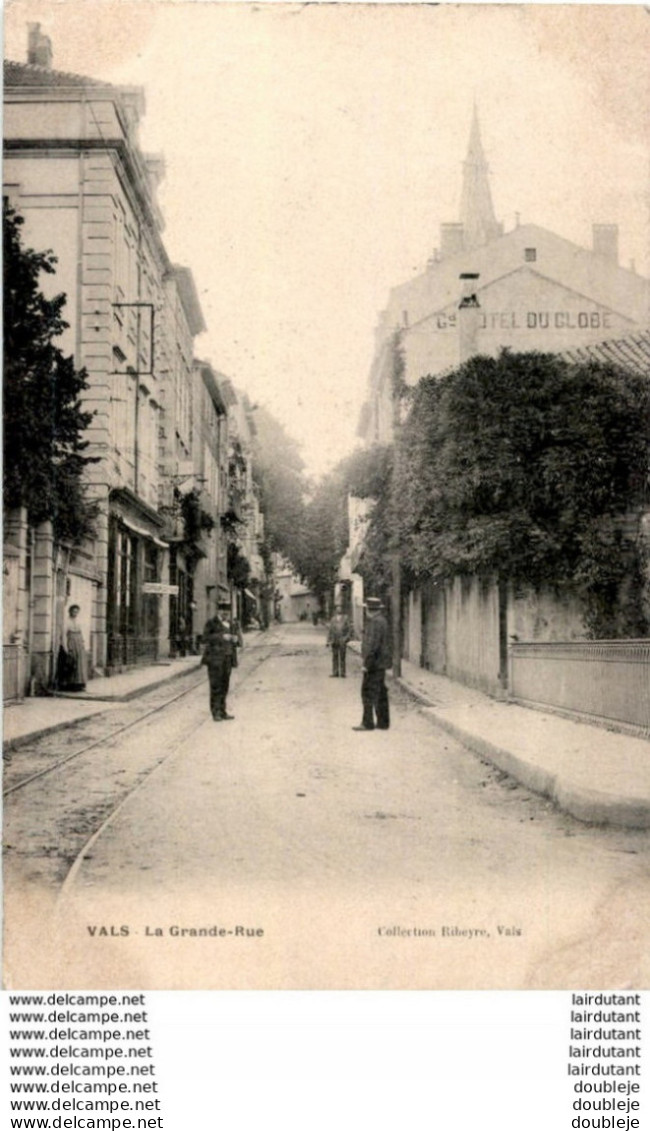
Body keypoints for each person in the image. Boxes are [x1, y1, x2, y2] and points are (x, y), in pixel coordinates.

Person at [353, 596, 391, 731]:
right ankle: (383, 722)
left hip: (374, 663)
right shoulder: (383, 621)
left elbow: (373, 646)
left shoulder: (374, 623)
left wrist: (366, 664)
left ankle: (367, 723)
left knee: (367, 692)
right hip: (381, 663)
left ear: (370, 610)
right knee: (380, 692)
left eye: (366, 609)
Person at [201, 600, 236, 721]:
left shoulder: (231, 623)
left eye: (228, 612)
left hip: (227, 658)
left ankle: (222, 710)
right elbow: (205, 638)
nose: (226, 614)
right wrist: (221, 637)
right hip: (215, 660)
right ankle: (215, 712)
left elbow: (235, 639)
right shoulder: (211, 623)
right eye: (224, 611)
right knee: (216, 686)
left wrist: (235, 639)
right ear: (219, 611)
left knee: (225, 686)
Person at [62, 604, 87, 691]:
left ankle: (80, 683)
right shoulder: (67, 621)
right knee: (72, 662)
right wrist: (66, 647)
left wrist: (83, 643)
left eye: (77, 612)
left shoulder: (79, 621)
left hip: (79, 643)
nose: (75, 613)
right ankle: (71, 684)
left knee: (80, 663)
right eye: (74, 611)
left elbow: (82, 632)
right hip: (71, 642)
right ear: (70, 612)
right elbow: (64, 634)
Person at [326, 604, 351, 678]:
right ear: (335, 610)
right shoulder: (333, 619)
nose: (338, 610)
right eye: (337, 609)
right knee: (335, 657)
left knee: (342, 657)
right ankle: (335, 672)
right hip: (335, 640)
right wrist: (328, 641)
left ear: (342, 610)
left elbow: (349, 630)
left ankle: (343, 673)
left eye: (340, 608)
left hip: (342, 640)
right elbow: (330, 630)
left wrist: (346, 638)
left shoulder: (345, 618)